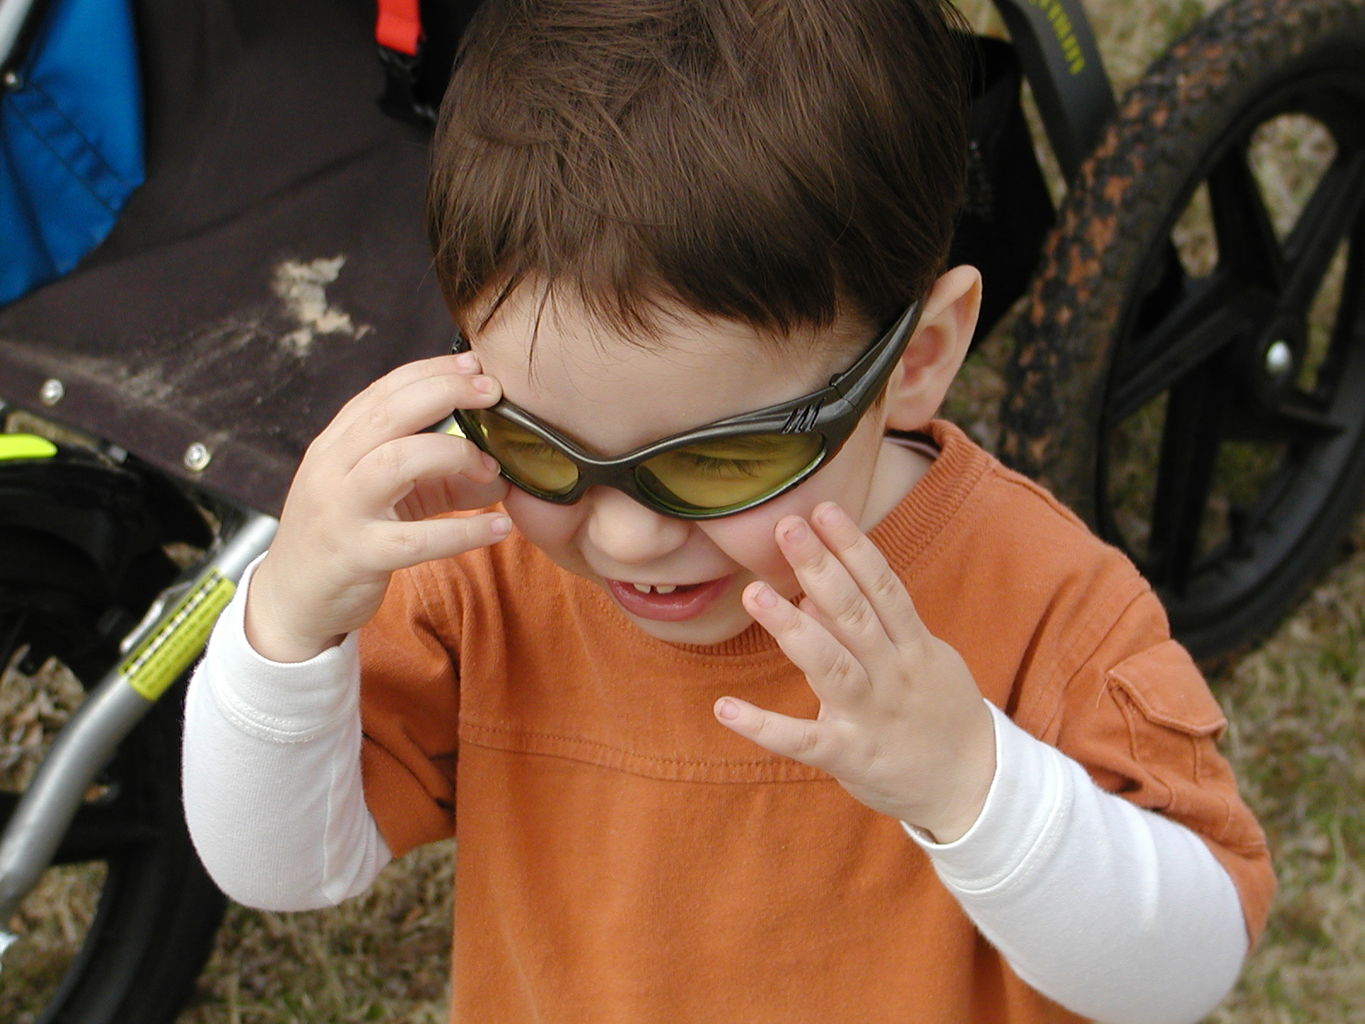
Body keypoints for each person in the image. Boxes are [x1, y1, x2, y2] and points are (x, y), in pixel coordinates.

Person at [182, 1, 1275, 1021]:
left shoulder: (1039, 606)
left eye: (720, 462)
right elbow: (281, 864)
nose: (624, 534)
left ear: (920, 358)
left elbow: (1185, 967)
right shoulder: (487, 563)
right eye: (534, 438)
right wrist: (285, 627)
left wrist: (969, 785)